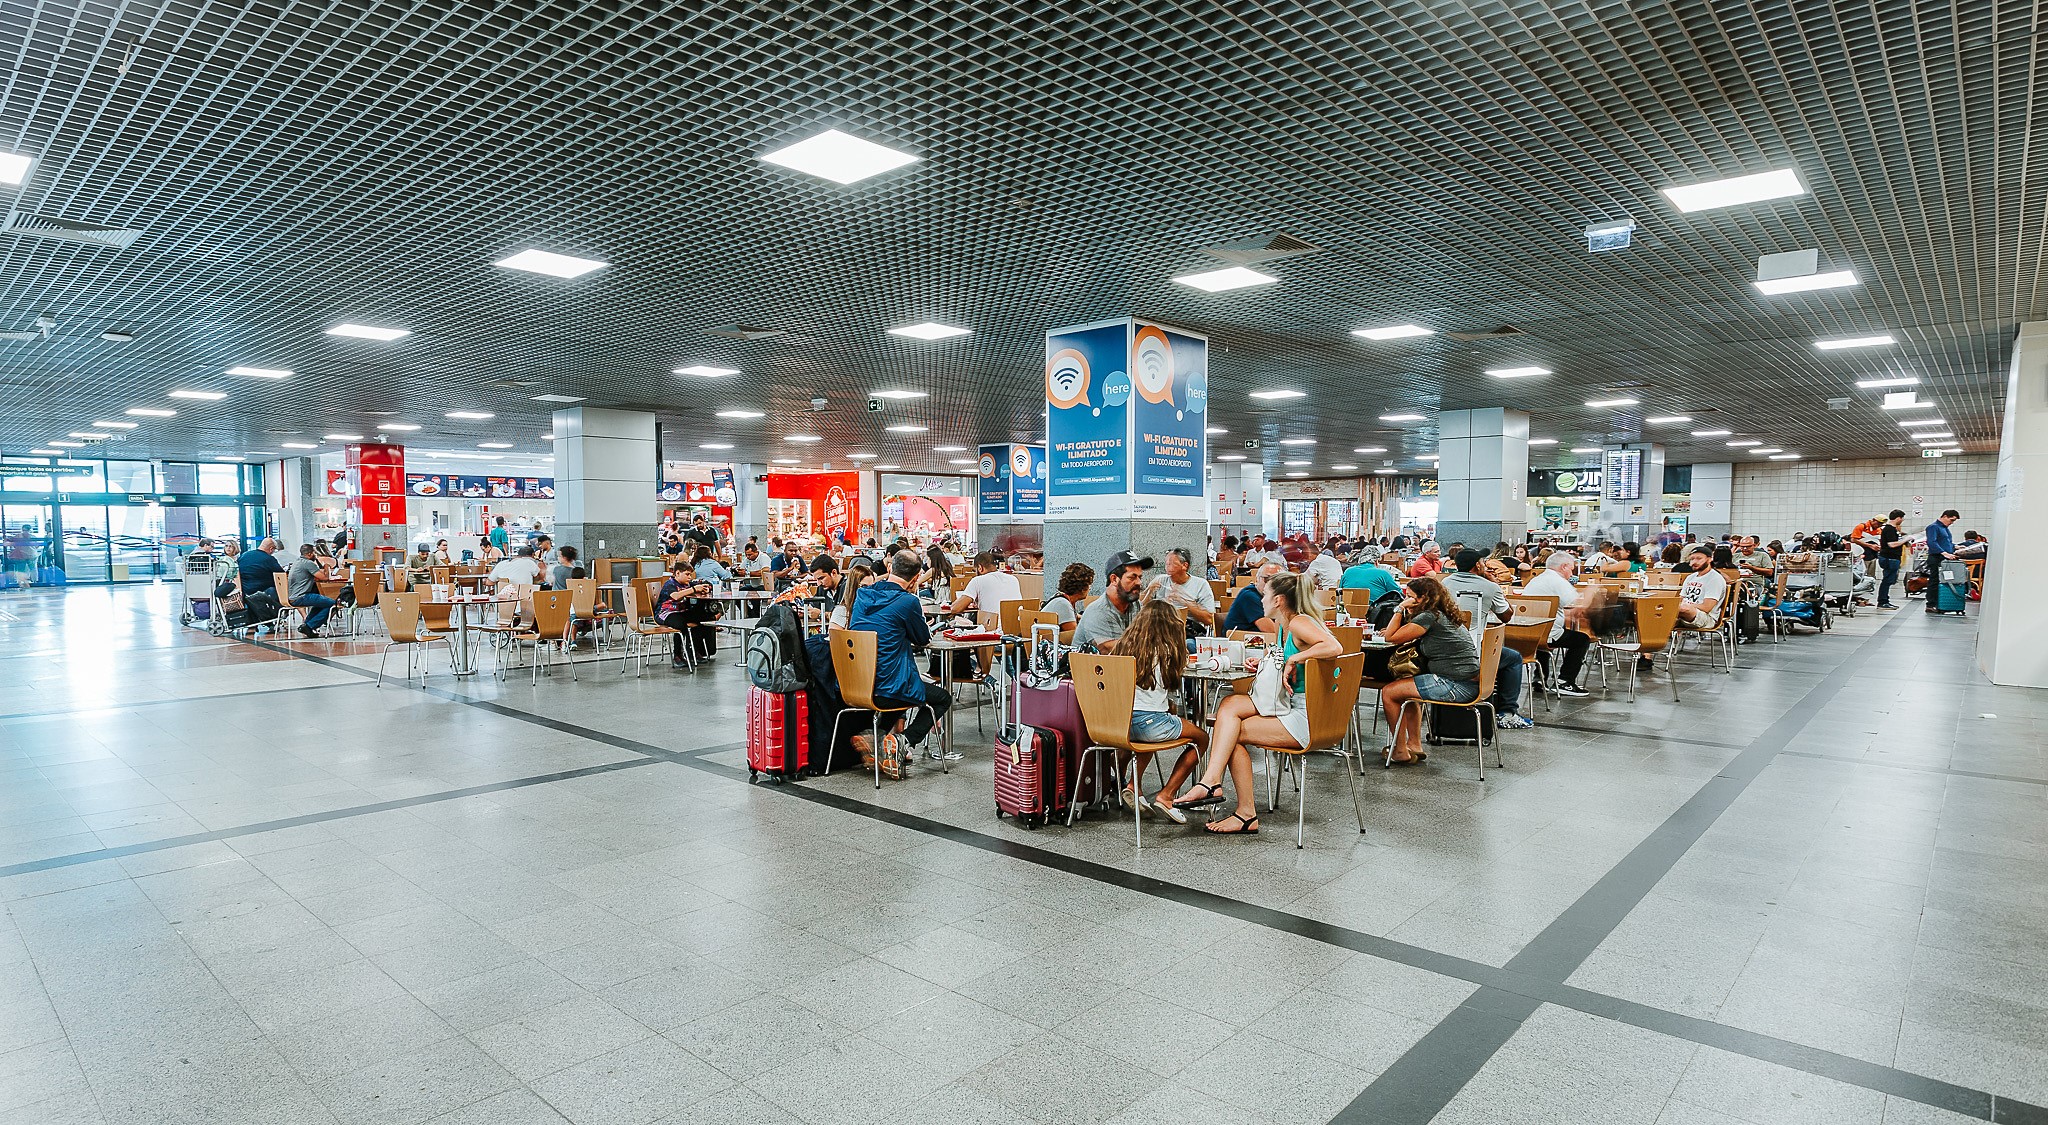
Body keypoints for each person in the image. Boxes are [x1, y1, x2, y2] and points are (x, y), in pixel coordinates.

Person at [1170, 574, 1339, 835]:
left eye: (1265, 594)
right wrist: (1266, 663)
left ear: (1279, 600)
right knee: (1230, 706)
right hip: (1293, 706)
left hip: (1307, 717)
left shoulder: (1299, 623)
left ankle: (1240, 809)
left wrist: (1296, 660)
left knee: (1230, 732)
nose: (1261, 599)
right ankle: (1213, 782)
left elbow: (1334, 646)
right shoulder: (1285, 625)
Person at [847, 550, 951, 758]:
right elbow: (923, 639)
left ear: (888, 568)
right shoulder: (908, 602)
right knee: (941, 698)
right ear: (914, 580)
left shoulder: (862, 595)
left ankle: (875, 736)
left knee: (901, 685)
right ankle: (902, 740)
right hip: (888, 687)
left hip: (857, 682)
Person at [1375, 575, 1484, 765]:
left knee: (1389, 692)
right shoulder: (1442, 614)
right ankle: (1414, 745)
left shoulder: (1429, 616)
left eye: (1410, 596)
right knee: (1405, 687)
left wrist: (1399, 608)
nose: (1407, 600)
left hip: (1455, 684)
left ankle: (1400, 750)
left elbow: (1391, 638)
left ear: (1423, 597)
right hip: (1467, 679)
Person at [1115, 600, 1208, 823]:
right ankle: (1167, 795)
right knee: (1202, 738)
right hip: (1150, 724)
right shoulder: (1168, 651)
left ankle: (1131, 785)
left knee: (1152, 731)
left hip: (1119, 725)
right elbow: (1173, 683)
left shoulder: (1123, 646)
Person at [1443, 548, 1531, 729]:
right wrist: (1495, 585)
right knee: (1513, 658)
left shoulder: (1445, 583)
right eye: (1483, 562)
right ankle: (1507, 712)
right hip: (1474, 650)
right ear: (1477, 565)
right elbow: (1506, 617)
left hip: (1446, 647)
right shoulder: (1490, 587)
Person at [1524, 552, 1592, 698]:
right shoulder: (1558, 581)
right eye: (1571, 569)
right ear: (1564, 566)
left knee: (1550, 631)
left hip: (1530, 633)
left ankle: (1540, 678)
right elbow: (1577, 607)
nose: (1572, 573)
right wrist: (1591, 594)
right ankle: (1565, 681)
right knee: (1582, 640)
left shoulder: (1535, 580)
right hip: (1548, 634)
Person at [1076, 551, 1147, 651]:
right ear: (1114, 579)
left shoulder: (1135, 605)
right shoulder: (1098, 612)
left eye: (1140, 577)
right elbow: (1116, 652)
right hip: (1092, 665)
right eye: (1132, 577)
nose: (1139, 582)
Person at [653, 557, 717, 665]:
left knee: (703, 618)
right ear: (677, 573)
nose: (690, 577)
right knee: (680, 624)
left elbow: (696, 586)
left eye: (690, 574)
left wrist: (704, 588)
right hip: (665, 613)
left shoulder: (687, 584)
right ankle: (677, 655)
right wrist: (694, 589)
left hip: (681, 612)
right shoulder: (670, 584)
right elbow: (676, 596)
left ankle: (694, 651)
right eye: (687, 574)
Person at [1144, 547, 1217, 633]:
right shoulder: (1160, 580)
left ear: (1184, 565)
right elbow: (1141, 608)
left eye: (1171, 563)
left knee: (1189, 644)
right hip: (1160, 629)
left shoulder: (1201, 584)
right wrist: (1149, 592)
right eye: (1166, 563)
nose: (1167, 566)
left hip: (1187, 631)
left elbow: (1209, 619)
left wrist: (1185, 602)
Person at [949, 550, 1022, 621]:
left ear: (980, 568)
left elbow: (955, 609)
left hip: (992, 627)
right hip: (1016, 626)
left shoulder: (977, 581)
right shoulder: (1013, 579)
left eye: (975, 570)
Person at [284, 544, 334, 638]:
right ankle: (310, 626)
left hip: (293, 596)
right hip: (302, 596)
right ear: (310, 554)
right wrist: (327, 567)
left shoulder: (298, 562)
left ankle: (307, 625)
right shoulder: (308, 563)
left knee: (321, 603)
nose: (316, 555)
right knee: (332, 604)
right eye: (314, 552)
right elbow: (324, 578)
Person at [1220, 560, 1282, 634]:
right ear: (1257, 579)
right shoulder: (1249, 596)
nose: (1272, 584)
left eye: (1278, 581)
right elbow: (1271, 630)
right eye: (1267, 579)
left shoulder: (1279, 597)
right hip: (1238, 641)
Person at [1039, 562, 1094, 643]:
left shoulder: (1061, 598)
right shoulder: (1063, 604)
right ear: (1082, 588)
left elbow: (1078, 617)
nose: (1090, 588)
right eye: (1089, 585)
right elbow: (1075, 637)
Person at [829, 561, 875, 629]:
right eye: (864, 587)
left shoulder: (875, 610)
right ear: (853, 587)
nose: (869, 591)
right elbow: (834, 638)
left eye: (872, 587)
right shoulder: (841, 612)